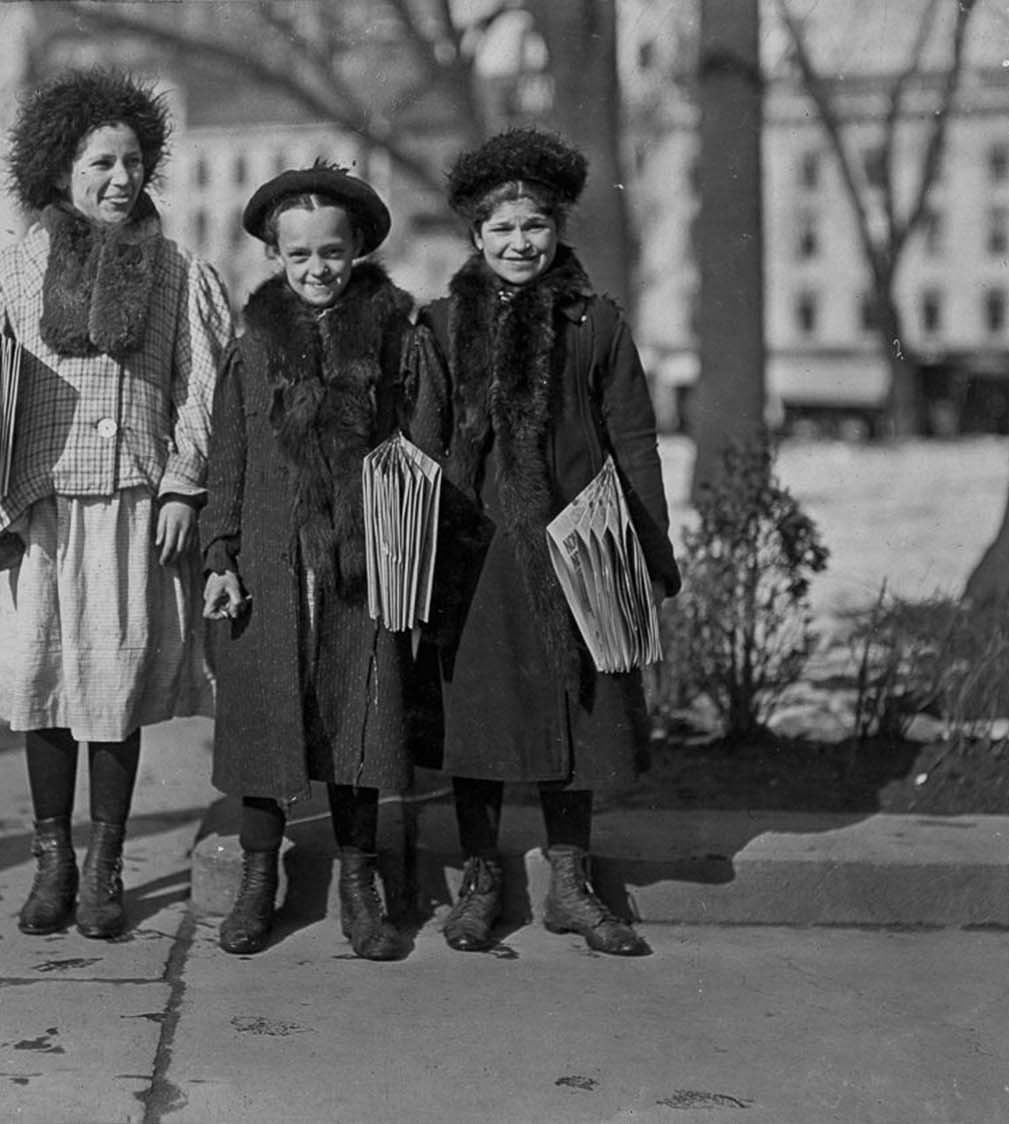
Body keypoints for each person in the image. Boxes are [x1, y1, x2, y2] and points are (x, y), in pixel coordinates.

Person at [0, 69, 233, 940]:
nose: (120, 180)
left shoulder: (179, 273)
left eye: (134, 163)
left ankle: (107, 865)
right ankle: (53, 862)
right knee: (43, 691)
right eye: (100, 163)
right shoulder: (11, 271)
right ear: (58, 170)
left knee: (111, 690)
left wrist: (184, 483)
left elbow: (202, 387)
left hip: (131, 511)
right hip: (34, 513)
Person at [411, 128, 682, 956]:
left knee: (579, 712)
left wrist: (648, 546)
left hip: (577, 542)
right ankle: (482, 880)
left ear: (557, 228)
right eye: (501, 230)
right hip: (478, 549)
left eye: (534, 226)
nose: (519, 243)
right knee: (478, 714)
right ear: (476, 238)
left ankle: (570, 881)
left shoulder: (593, 324)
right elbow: (420, 443)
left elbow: (633, 437)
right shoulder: (442, 324)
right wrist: (413, 548)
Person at [202, 163, 432, 960]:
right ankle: (260, 874)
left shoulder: (393, 339)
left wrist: (401, 539)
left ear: (358, 248)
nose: (316, 271)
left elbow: (416, 446)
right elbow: (226, 460)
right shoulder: (252, 349)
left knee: (357, 714)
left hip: (359, 563)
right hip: (270, 564)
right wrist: (219, 553)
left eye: (331, 253)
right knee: (266, 716)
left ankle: (359, 880)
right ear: (274, 256)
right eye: (297, 256)